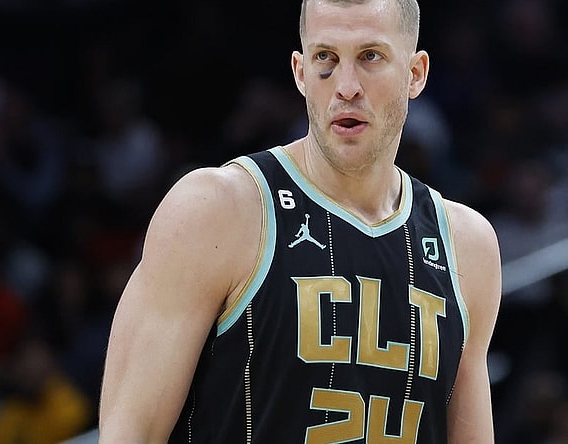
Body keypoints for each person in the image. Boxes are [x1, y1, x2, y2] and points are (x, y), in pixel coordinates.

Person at [98, 0, 502, 442]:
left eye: (370, 57)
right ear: (300, 72)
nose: (347, 86)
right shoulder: (217, 209)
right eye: (326, 58)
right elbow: (129, 433)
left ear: (415, 74)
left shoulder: (467, 246)